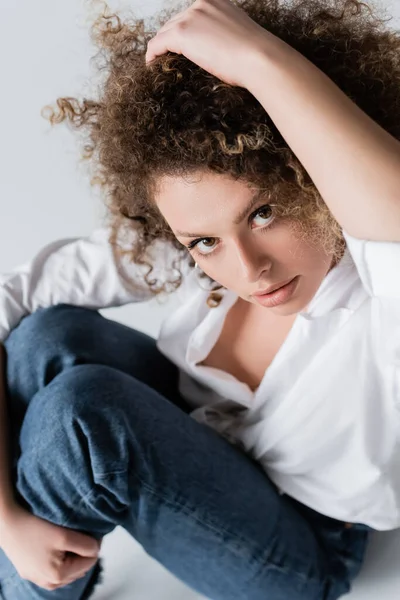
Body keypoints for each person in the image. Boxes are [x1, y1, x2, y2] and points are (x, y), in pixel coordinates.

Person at [1, 0, 400, 597]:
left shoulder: (381, 293)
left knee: (84, 414)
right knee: (43, 338)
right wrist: (8, 522)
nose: (248, 269)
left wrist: (261, 59)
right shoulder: (188, 241)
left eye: (265, 212)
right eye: (205, 241)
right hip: (204, 441)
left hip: (306, 544)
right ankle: (33, 567)